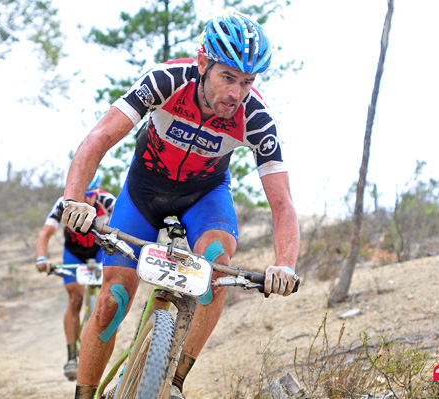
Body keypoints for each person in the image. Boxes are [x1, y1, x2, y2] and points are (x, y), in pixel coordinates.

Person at [59, 8, 301, 399]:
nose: (235, 93)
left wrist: (285, 264)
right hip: (144, 191)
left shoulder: (255, 116)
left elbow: (283, 204)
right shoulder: (166, 81)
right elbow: (100, 137)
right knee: (113, 299)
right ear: (203, 62)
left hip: (204, 196)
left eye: (246, 82)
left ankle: (172, 382)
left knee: (218, 265)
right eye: (227, 77)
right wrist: (74, 200)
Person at [35, 173, 116, 381]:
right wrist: (41, 258)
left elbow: (123, 228)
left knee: (107, 298)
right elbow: (45, 234)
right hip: (74, 253)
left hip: (98, 250)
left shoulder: (107, 201)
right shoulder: (63, 203)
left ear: (97, 192)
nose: (86, 200)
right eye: (82, 194)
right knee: (75, 299)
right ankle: (71, 356)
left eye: (90, 194)